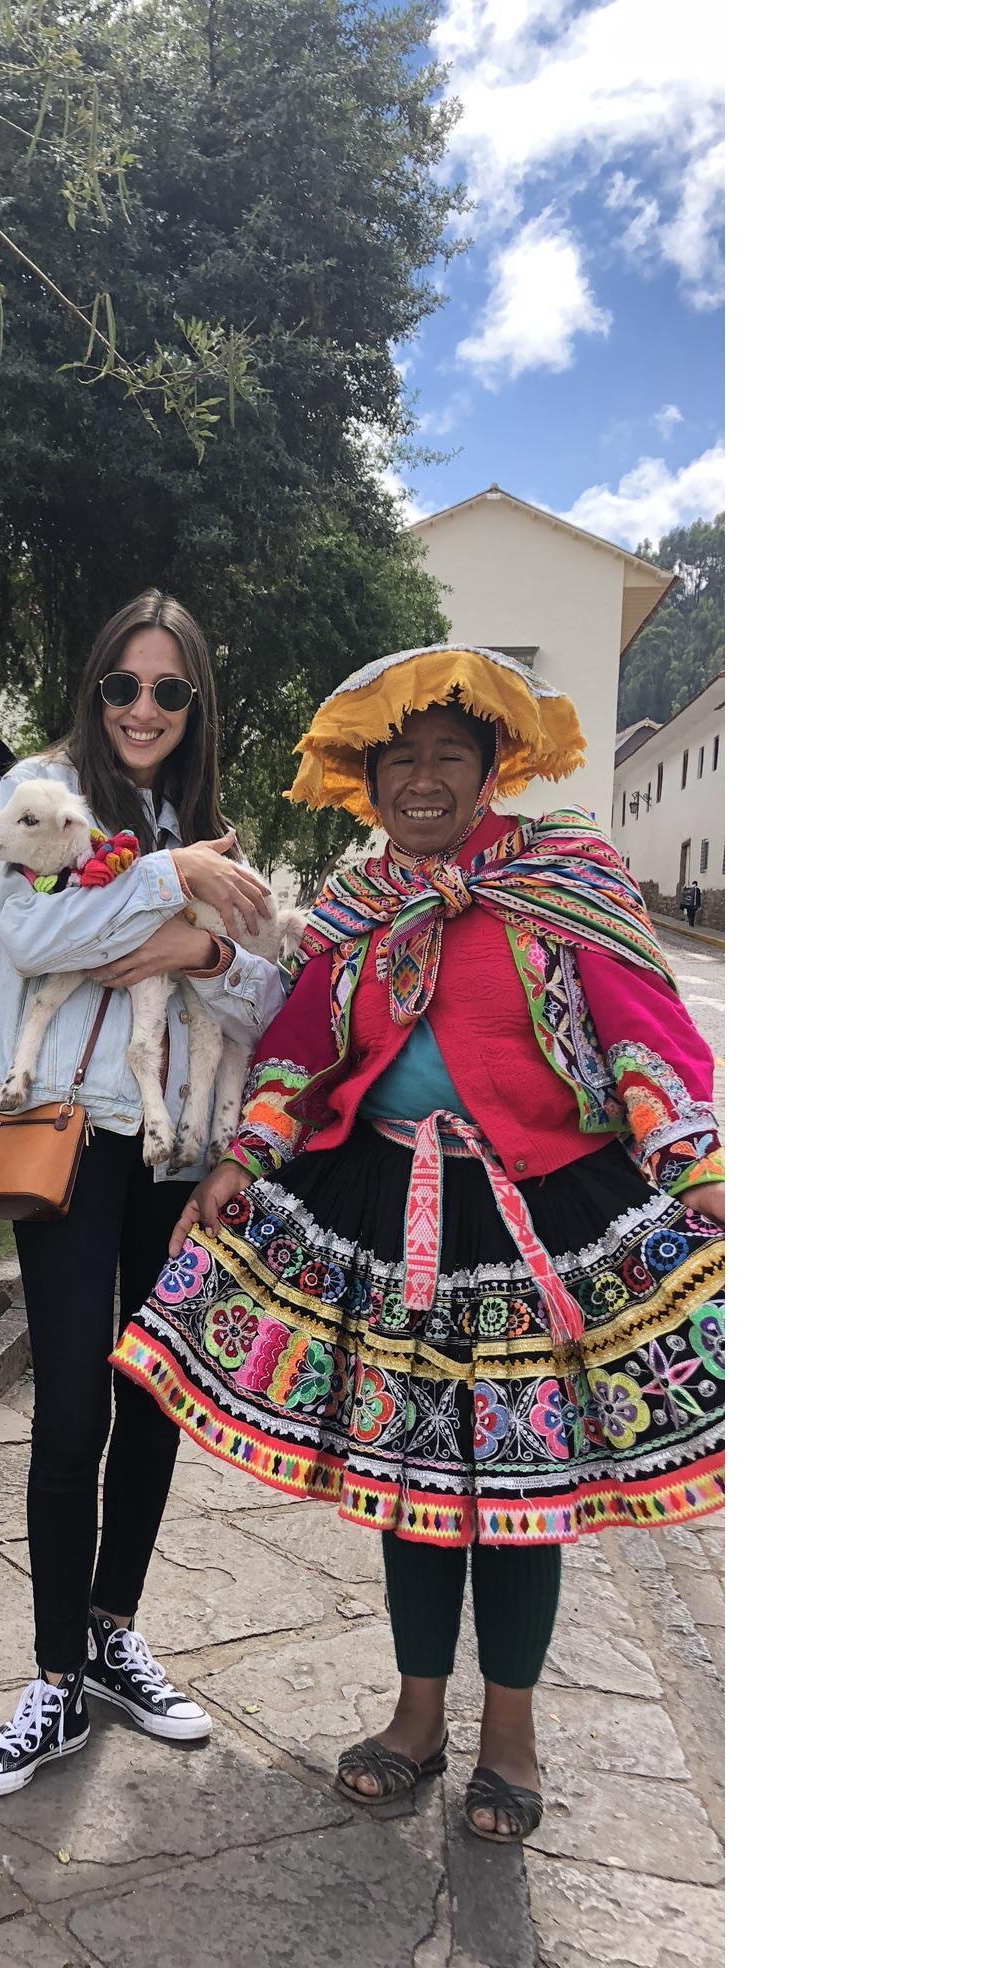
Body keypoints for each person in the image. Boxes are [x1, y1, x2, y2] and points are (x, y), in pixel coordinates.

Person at [111, 647, 724, 1844]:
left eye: (449, 755)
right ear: (371, 780)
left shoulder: (567, 875)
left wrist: (697, 1172)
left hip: (539, 1209)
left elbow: (642, 1031)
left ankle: (511, 1734)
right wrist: (240, 1158)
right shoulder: (352, 902)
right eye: (402, 760)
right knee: (410, 1488)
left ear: (492, 766)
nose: (425, 779)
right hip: (385, 1207)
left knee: (523, 1489)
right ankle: (412, 1717)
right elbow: (297, 1049)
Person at [0, 591, 285, 1798]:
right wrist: (168, 878)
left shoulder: (214, 827)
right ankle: (48, 1680)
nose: (141, 709)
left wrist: (198, 948)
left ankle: (109, 1629)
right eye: (122, 686)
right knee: (73, 1400)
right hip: (68, 1134)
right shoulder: (39, 787)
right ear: (92, 689)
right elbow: (33, 941)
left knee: (152, 1395)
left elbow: (265, 1001)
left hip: (175, 1151)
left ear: (195, 705)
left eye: (168, 691)